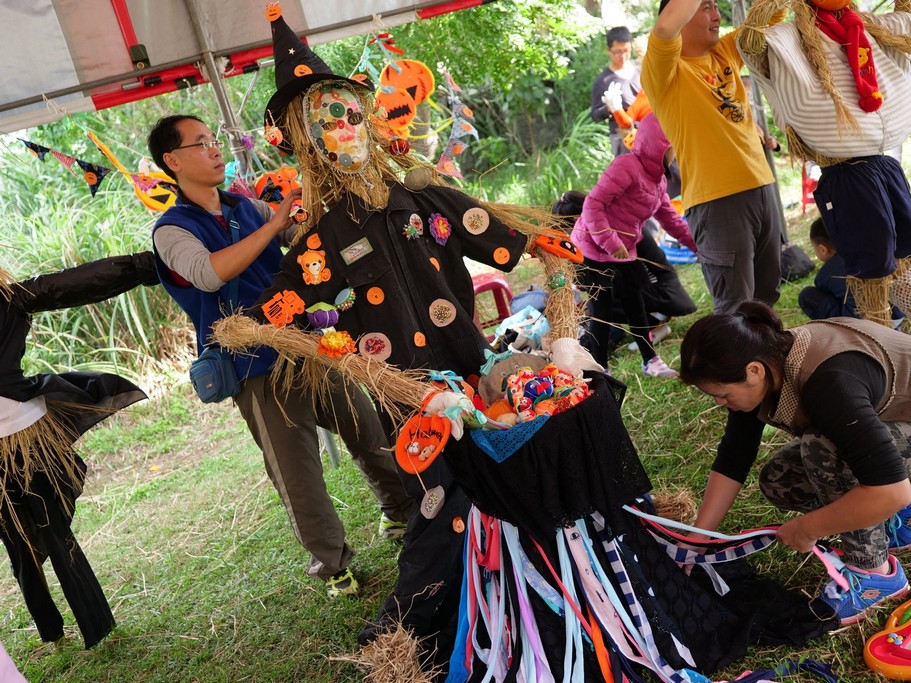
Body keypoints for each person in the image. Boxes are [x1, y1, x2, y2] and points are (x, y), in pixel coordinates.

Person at [215, 8, 598, 667]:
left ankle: (536, 594)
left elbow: (505, 239)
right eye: (325, 120)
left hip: (474, 371)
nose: (344, 129)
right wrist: (302, 336)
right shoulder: (315, 244)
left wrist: (549, 257)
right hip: (407, 398)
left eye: (349, 114)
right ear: (304, 141)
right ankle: (406, 634)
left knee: (504, 475)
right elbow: (288, 315)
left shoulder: (426, 200)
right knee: (441, 505)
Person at [147, 114, 412, 599]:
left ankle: (401, 512)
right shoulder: (171, 230)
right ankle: (333, 565)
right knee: (298, 471)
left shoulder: (243, 207)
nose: (214, 149)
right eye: (201, 143)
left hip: (306, 343)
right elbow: (209, 274)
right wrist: (272, 225)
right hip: (252, 365)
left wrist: (307, 215)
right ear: (173, 160)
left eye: (214, 140)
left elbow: (295, 248)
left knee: (367, 430)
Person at [679, 300, 911, 624]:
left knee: (825, 449)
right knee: (781, 480)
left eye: (722, 394)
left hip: (899, 449)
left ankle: (876, 574)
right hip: (893, 432)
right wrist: (698, 539)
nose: (720, 402)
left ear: (753, 371)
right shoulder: (768, 364)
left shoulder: (827, 381)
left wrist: (808, 527)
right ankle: (895, 523)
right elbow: (734, 457)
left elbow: (891, 490)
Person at [0, 253, 157, 648]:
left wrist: (144, 266)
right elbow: (72, 282)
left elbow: (74, 282)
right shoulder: (12, 296)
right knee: (31, 536)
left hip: (27, 434)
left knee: (36, 534)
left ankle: (75, 629)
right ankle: (69, 628)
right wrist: (145, 266)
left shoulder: (9, 296)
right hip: (25, 430)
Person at [737, 0, 911, 326]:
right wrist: (773, 4)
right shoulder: (793, 38)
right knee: (870, 269)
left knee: (905, 253)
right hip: (847, 176)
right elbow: (750, 42)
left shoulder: (864, 25)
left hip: (884, 164)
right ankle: (879, 333)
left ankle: (902, 321)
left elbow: (905, 21)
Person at [641, 0, 784, 315]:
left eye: (716, 6)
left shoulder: (725, 53)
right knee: (736, 307)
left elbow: (770, 14)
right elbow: (665, 27)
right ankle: (740, 364)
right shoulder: (665, 70)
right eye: (705, 7)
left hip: (761, 186)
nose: (717, 14)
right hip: (717, 201)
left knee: (766, 296)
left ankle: (768, 361)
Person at [565, 114, 698, 377]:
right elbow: (592, 205)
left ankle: (651, 361)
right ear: (659, 144)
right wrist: (610, 241)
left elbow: (671, 219)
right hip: (592, 248)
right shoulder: (626, 166)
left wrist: (698, 246)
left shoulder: (658, 179)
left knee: (635, 302)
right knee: (601, 312)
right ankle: (597, 370)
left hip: (623, 250)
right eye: (673, 144)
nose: (677, 150)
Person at [554, 190, 696, 357]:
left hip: (659, 287)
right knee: (600, 297)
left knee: (600, 302)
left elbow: (618, 274)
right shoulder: (604, 226)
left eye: (570, 227)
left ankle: (655, 325)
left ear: (577, 219)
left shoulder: (612, 230)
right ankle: (651, 323)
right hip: (654, 284)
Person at [799, 217, 905, 325]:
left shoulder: (825, 275)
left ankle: (839, 331)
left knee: (806, 295)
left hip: (861, 327)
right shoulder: (868, 248)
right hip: (896, 315)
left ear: (823, 249)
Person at [591, 26, 642, 157]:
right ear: (608, 50)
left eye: (626, 50)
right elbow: (595, 115)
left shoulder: (640, 67)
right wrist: (609, 108)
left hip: (649, 129)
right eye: (617, 52)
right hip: (623, 136)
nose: (623, 56)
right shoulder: (603, 81)